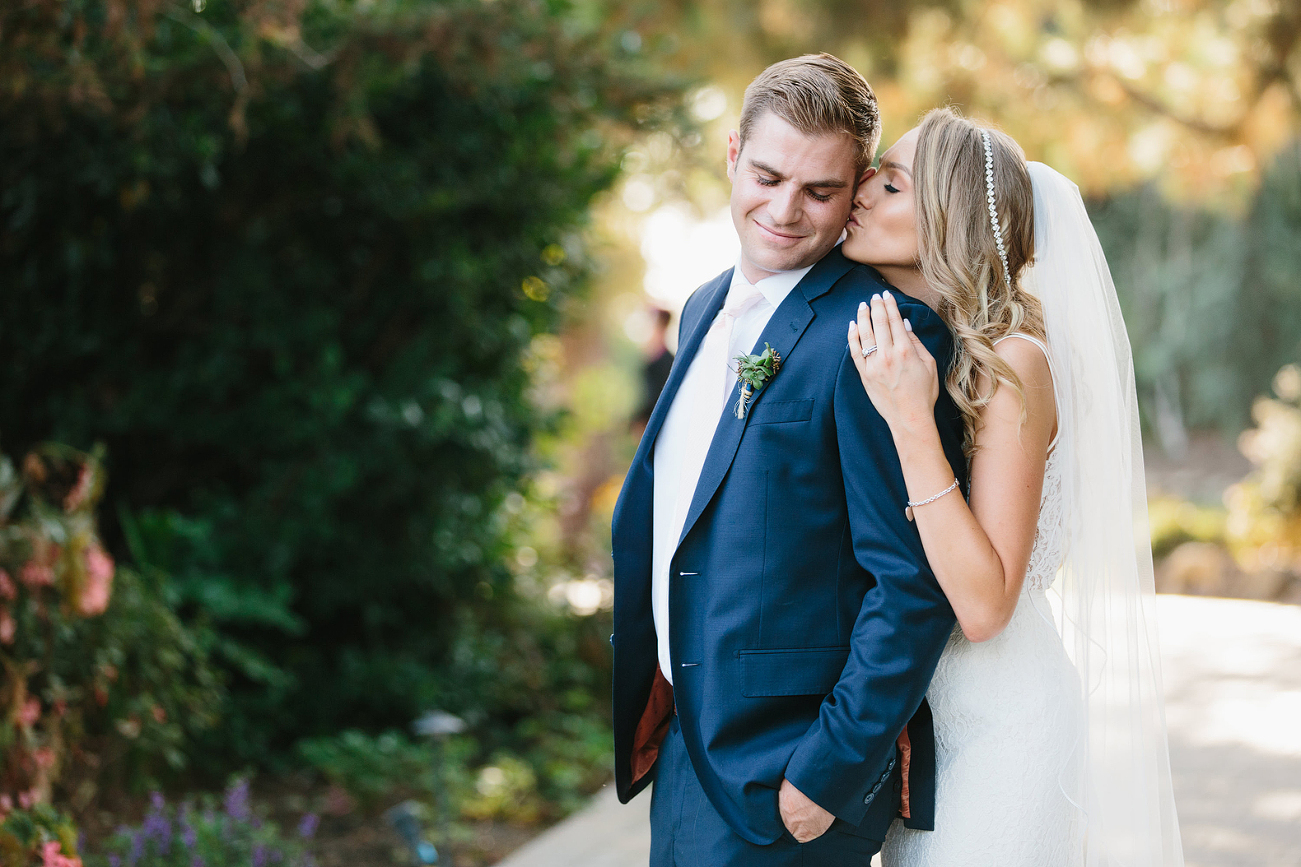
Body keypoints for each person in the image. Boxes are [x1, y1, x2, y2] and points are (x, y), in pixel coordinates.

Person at [610, 56, 967, 865]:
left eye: (819, 191)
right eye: (767, 176)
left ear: (856, 189)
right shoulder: (701, 305)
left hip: (786, 773)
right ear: (733, 154)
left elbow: (911, 581)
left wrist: (825, 775)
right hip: (687, 745)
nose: (782, 211)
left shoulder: (880, 331)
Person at [841, 107, 1184, 865]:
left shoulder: (1014, 360)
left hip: (1003, 730)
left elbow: (985, 603)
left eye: (890, 183)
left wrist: (908, 421)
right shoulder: (923, 346)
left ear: (946, 220)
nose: (859, 191)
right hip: (926, 733)